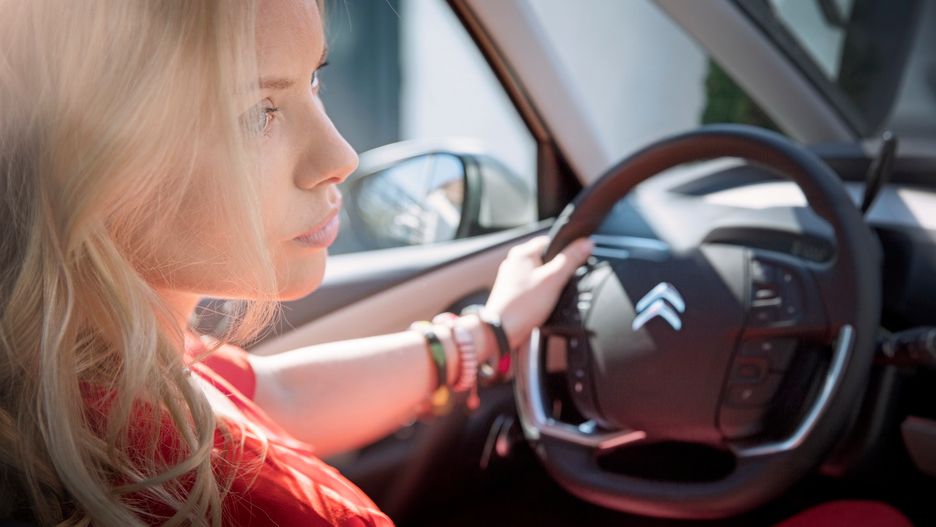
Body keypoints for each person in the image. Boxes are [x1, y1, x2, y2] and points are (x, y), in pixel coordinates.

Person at [0, 0, 593, 524]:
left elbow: (280, 396)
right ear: (97, 159)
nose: (341, 156)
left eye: (313, 79)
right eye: (258, 111)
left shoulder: (98, 359)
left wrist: (488, 335)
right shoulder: (284, 513)